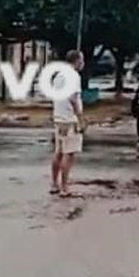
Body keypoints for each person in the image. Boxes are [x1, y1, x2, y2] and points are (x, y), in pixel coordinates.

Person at [50, 50, 85, 198]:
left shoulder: (59, 75)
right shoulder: (74, 76)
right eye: (82, 60)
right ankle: (64, 187)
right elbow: (73, 97)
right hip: (69, 118)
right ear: (76, 60)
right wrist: (80, 117)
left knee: (59, 151)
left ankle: (54, 184)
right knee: (68, 153)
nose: (83, 63)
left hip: (59, 116)